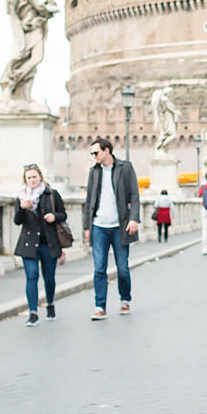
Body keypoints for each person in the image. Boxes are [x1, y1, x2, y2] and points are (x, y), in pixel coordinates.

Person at [83, 137, 140, 320]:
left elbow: (134, 195)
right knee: (99, 269)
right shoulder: (94, 172)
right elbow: (89, 200)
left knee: (122, 268)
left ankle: (125, 299)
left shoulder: (125, 167)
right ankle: (100, 306)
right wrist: (87, 227)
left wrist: (133, 219)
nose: (94, 156)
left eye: (96, 152)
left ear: (107, 150)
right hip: (99, 226)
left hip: (120, 226)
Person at [14, 164, 66, 325]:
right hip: (28, 244)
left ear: (40, 177)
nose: (32, 180)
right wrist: (22, 209)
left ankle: (50, 305)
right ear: (25, 180)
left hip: (48, 243)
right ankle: (33, 313)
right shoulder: (21, 197)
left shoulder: (51, 194)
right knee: (32, 276)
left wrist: (54, 216)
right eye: (29, 177)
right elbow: (17, 221)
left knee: (49, 278)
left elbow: (63, 214)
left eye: (34, 177)